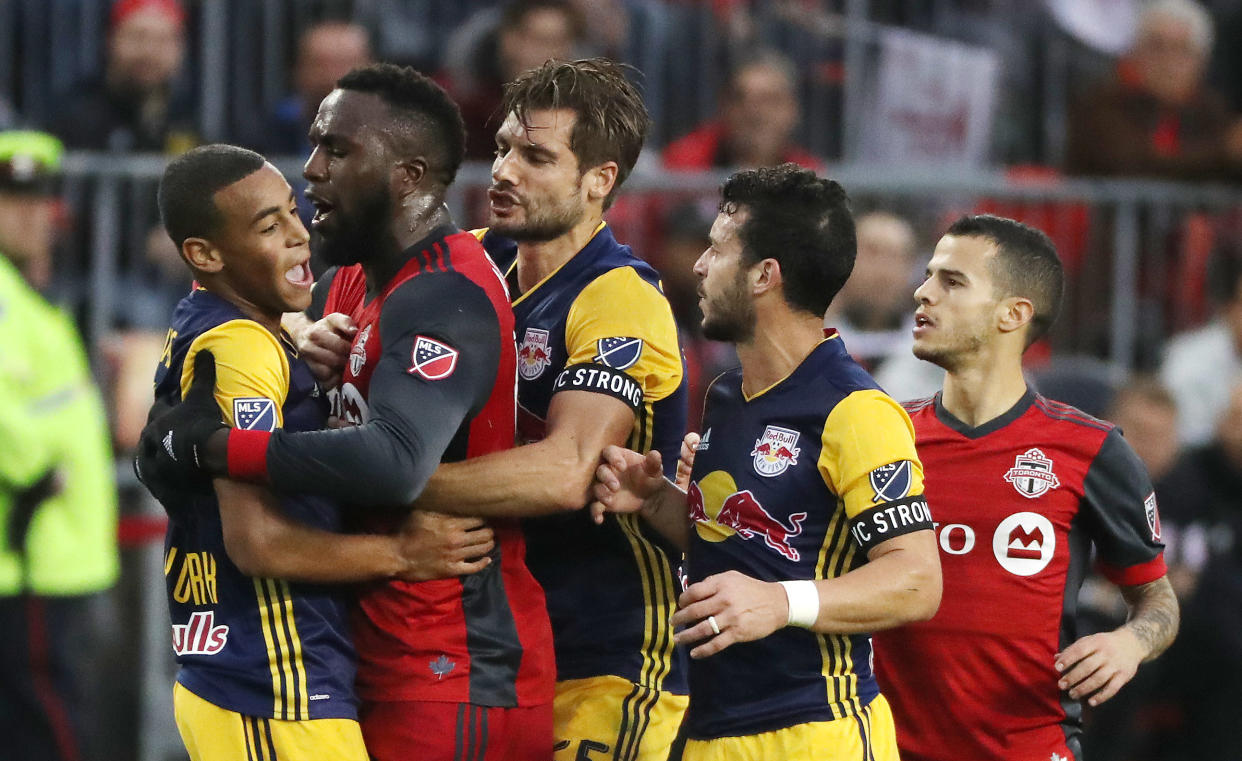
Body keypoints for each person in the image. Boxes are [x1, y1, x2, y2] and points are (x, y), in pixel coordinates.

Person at [137, 64, 555, 761]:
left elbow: (393, 462)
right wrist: (297, 343)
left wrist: (211, 448)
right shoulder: (350, 286)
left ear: (407, 175)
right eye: (314, 145)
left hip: (450, 664)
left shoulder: (443, 292)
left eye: (337, 150)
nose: (312, 171)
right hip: (372, 659)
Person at [295, 57, 689, 760]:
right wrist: (314, 333)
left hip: (612, 653)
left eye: (536, 156)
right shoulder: (464, 265)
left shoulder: (618, 296)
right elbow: (336, 300)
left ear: (599, 181)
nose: (504, 170)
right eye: (504, 146)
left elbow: (566, 471)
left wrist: (382, 472)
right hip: (494, 636)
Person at [592, 163, 943, 761]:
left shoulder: (855, 410)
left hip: (815, 731)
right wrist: (656, 501)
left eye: (718, 249)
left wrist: (782, 603)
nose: (699, 265)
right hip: (709, 729)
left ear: (764, 275)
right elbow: (745, 551)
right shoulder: (727, 394)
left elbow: (917, 582)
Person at [872, 215, 1179, 761]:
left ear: (1013, 314)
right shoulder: (883, 436)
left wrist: (1129, 642)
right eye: (927, 275)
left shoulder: (1090, 450)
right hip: (888, 748)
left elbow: (1156, 598)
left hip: (1030, 749)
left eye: (952, 281)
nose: (923, 292)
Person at [0, 131, 119, 761]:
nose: (32, 215)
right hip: (30, 552)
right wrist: (39, 467)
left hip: (50, 552)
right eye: (13, 200)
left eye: (38, 199)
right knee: (49, 728)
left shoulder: (27, 297)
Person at [1065, 0, 1242, 180]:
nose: (1168, 61)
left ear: (1202, 61)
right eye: (1157, 46)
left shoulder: (1210, 110)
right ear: (1135, 51)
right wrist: (1225, 151)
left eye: (1182, 49)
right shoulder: (1102, 103)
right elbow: (1133, 162)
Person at [439, 0, 583, 160]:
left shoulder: (584, 118)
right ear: (509, 40)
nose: (548, 55)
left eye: (558, 42)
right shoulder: (461, 113)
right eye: (538, 40)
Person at [49, 0, 198, 153]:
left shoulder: (188, 123)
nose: (149, 51)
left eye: (163, 40)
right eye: (138, 36)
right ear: (110, 39)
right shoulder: (74, 116)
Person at [663, 50, 822, 171]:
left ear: (792, 110)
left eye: (769, 100)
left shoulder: (811, 175)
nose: (754, 112)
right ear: (723, 107)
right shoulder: (684, 167)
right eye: (739, 99)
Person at [1161, 242, 1242, 446]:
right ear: (1227, 307)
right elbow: (1180, 435)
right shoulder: (1189, 357)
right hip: (1203, 469)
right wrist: (1227, 430)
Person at [256, 20, 373, 157]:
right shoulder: (267, 133)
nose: (333, 77)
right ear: (298, 71)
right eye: (320, 65)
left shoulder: (396, 136)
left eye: (346, 65)